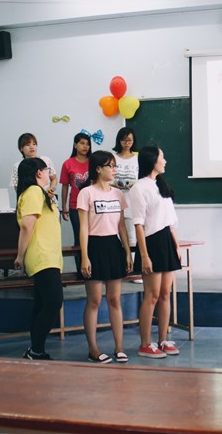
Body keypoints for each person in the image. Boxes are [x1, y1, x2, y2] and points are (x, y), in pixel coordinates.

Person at [78, 150, 133, 363]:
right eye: (110, 166)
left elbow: (122, 226)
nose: (114, 170)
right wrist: (85, 256)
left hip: (113, 246)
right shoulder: (86, 193)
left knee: (114, 299)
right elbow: (83, 227)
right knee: (94, 300)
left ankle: (119, 347)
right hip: (94, 246)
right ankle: (93, 349)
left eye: (115, 166)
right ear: (98, 169)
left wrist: (127, 251)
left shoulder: (118, 194)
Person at [131, 145, 183, 359]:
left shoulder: (161, 184)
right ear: (153, 160)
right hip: (151, 242)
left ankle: (162, 340)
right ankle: (145, 344)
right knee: (151, 295)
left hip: (167, 241)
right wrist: (144, 255)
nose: (165, 161)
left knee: (165, 294)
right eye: (162, 157)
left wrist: (176, 245)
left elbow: (170, 221)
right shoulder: (139, 187)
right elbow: (138, 224)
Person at [14, 157, 64, 360]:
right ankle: (36, 348)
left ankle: (36, 349)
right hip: (42, 255)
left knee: (42, 303)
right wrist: (20, 255)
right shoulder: (34, 191)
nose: (49, 173)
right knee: (53, 301)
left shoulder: (38, 192)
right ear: (38, 173)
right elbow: (27, 226)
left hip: (48, 255)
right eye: (46, 170)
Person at [60, 132, 91, 274]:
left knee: (94, 237)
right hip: (75, 206)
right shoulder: (68, 163)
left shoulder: (93, 162)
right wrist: (64, 206)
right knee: (79, 238)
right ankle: (81, 270)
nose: (85, 146)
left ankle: (94, 268)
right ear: (75, 145)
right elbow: (65, 186)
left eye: (87, 144)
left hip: (93, 206)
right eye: (82, 143)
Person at [111, 127, 140, 276]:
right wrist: (116, 184)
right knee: (114, 235)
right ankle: (120, 267)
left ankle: (133, 269)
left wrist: (134, 184)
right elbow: (107, 178)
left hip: (131, 201)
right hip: (113, 199)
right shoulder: (113, 158)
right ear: (119, 140)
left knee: (132, 236)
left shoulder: (138, 158)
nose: (126, 143)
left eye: (129, 140)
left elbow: (143, 179)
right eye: (123, 140)